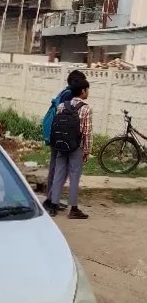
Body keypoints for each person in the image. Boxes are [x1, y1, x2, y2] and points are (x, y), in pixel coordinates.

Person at [48, 74, 92, 220]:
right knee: (74, 177)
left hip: (61, 145)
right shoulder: (86, 109)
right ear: (83, 91)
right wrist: (87, 151)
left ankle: (53, 206)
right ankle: (73, 209)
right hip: (76, 147)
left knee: (58, 174)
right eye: (87, 90)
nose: (88, 92)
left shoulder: (62, 106)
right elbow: (86, 132)